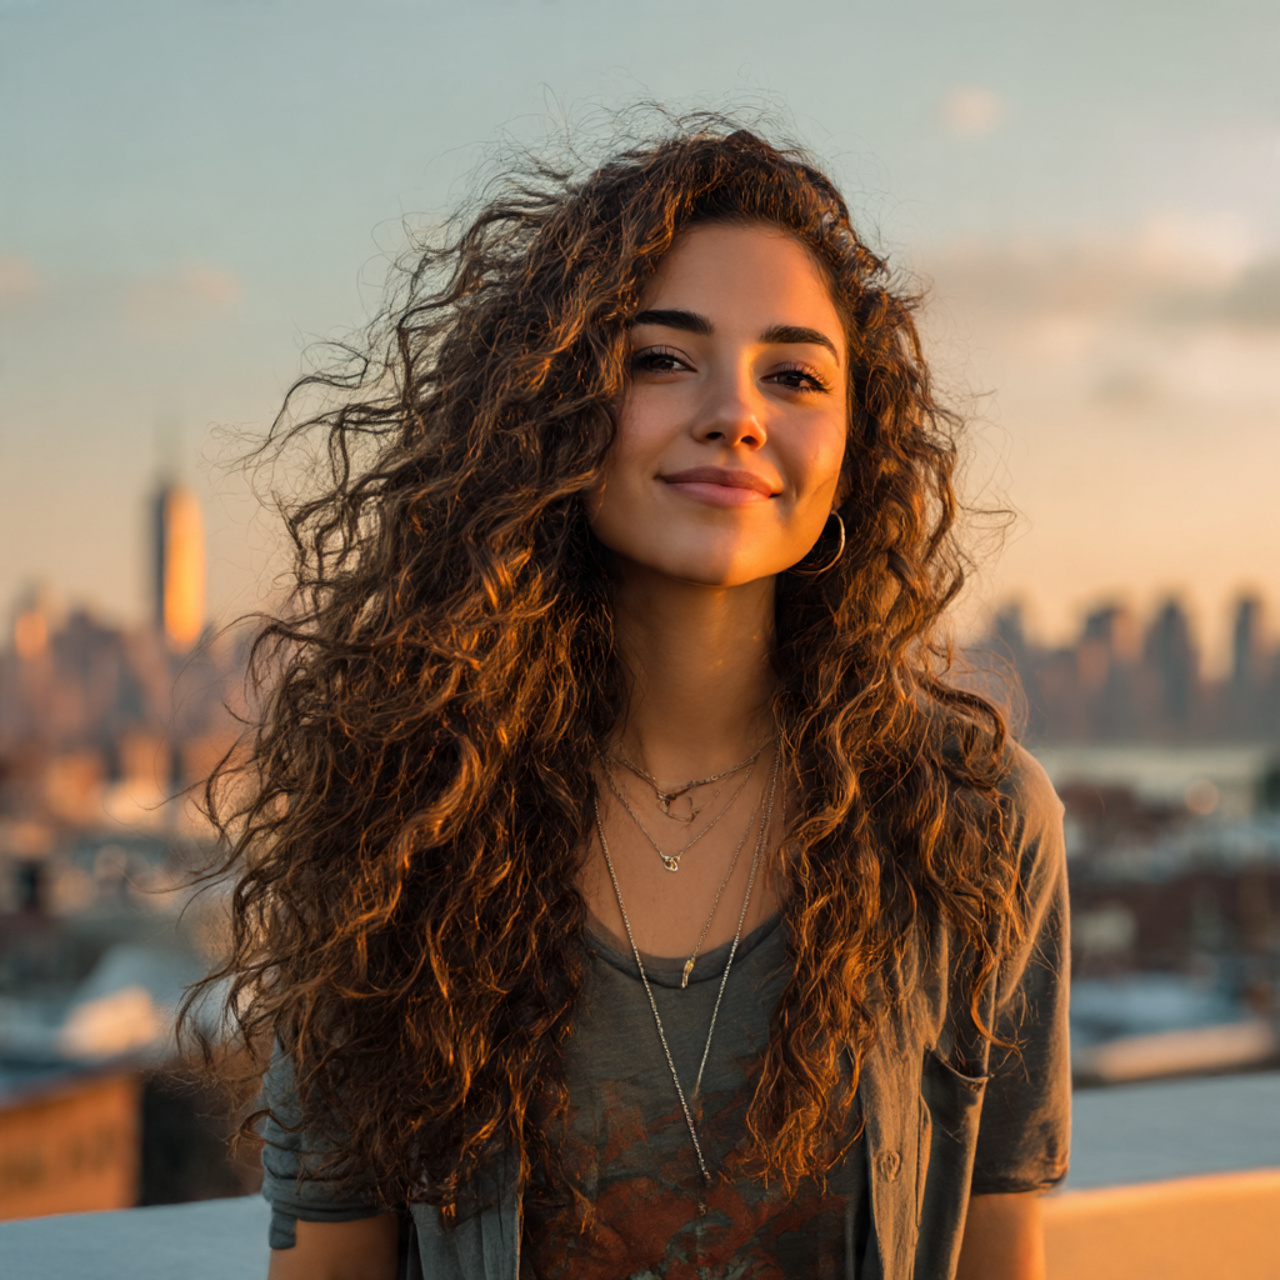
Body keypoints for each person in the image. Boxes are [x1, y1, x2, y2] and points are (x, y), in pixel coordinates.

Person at [190, 118, 1069, 1280]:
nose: (735, 412)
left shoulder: (973, 818)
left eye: (794, 374)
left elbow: (995, 1255)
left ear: (854, 444)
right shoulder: (401, 809)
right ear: (549, 403)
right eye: (661, 358)